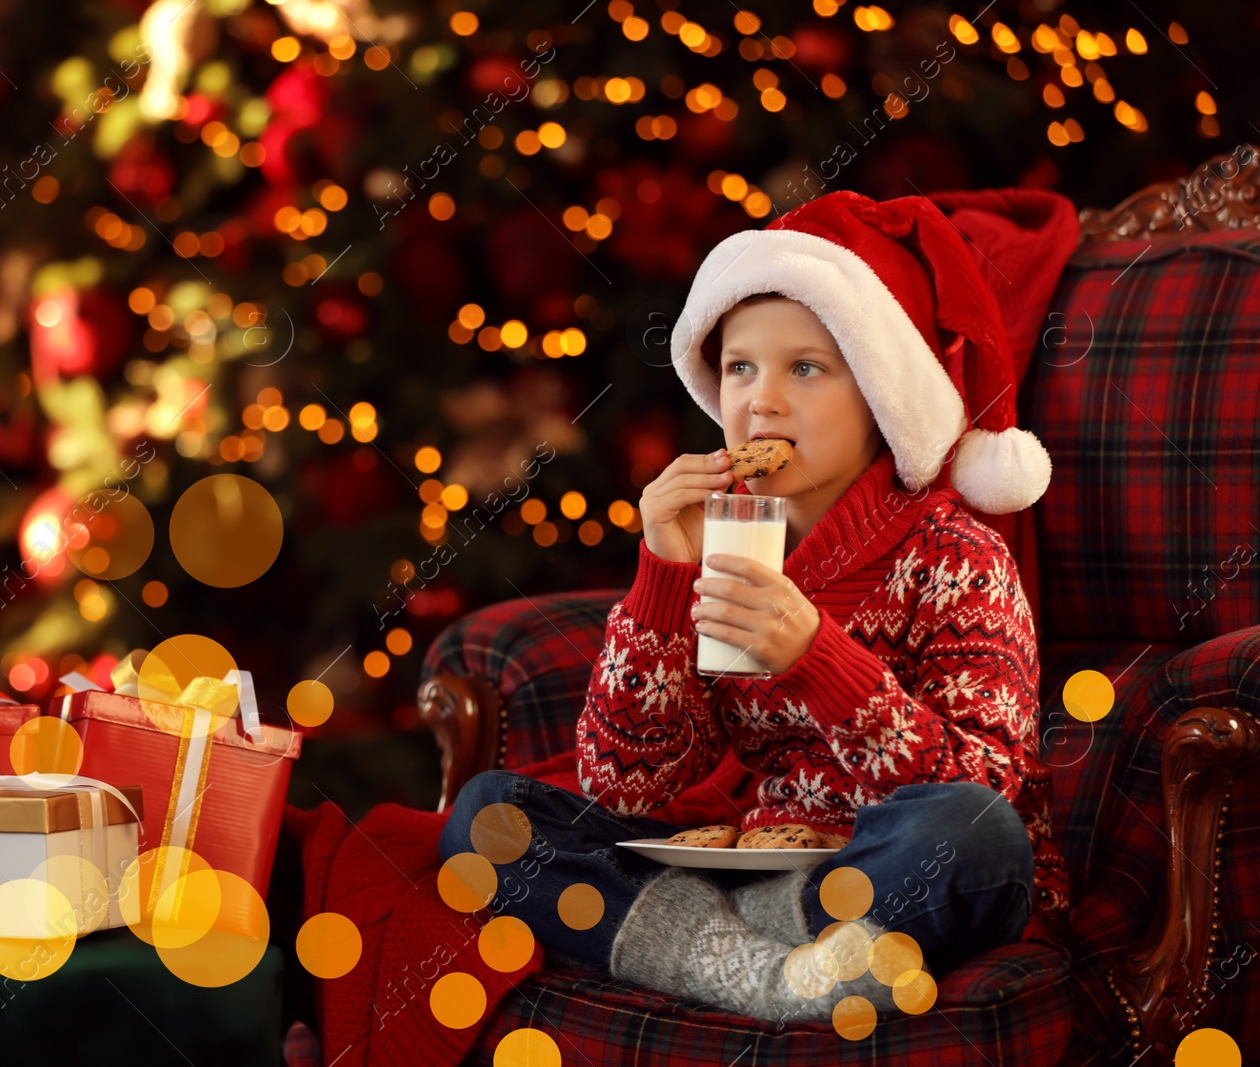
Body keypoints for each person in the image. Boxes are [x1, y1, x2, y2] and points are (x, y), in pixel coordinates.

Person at [438, 189, 1073, 1024]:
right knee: (486, 816)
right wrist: (665, 571)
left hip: (883, 867)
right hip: (744, 867)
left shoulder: (956, 559)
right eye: (741, 367)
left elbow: (989, 787)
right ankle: (774, 977)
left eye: (805, 368)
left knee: (971, 837)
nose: (761, 402)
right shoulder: (726, 543)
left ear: (881, 397)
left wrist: (818, 659)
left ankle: (710, 948)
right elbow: (629, 786)